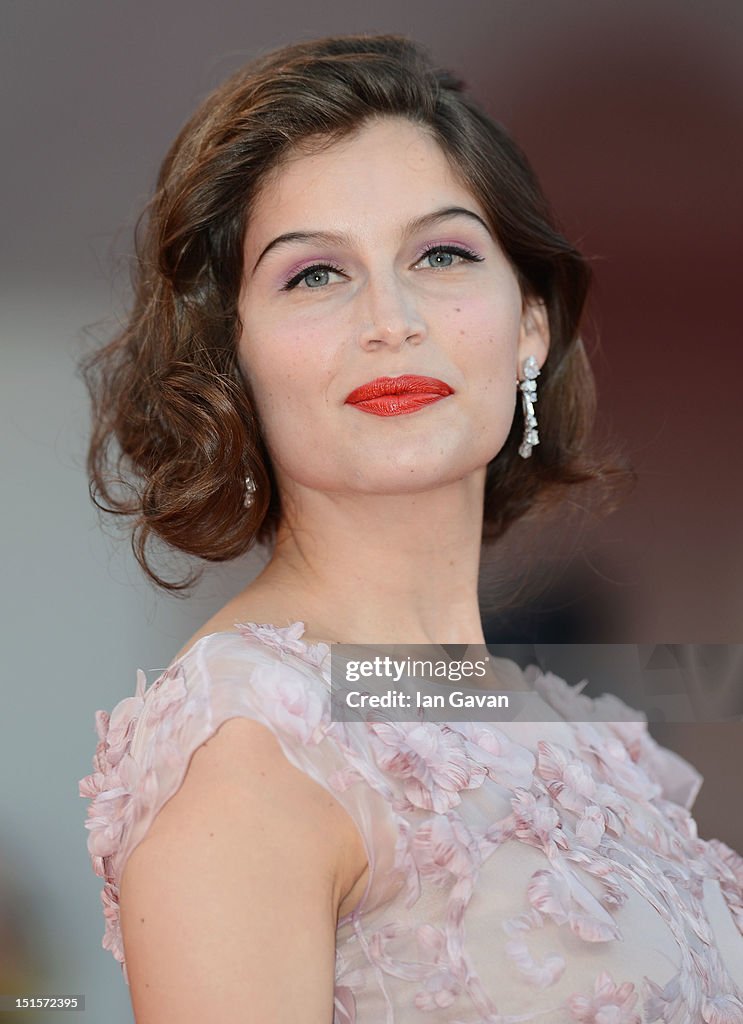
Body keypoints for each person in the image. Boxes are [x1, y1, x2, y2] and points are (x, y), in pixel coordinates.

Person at [78, 33, 743, 1023]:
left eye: (440, 253)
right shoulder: (248, 749)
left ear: (528, 324)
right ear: (236, 358)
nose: (389, 318)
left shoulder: (581, 733)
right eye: (313, 274)